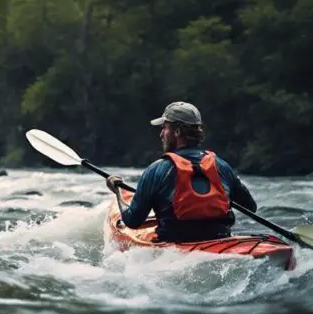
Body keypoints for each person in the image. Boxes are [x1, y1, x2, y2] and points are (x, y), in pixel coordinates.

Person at [105, 101, 257, 242]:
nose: (161, 134)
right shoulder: (222, 166)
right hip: (219, 240)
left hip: (174, 250)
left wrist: (117, 191)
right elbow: (251, 207)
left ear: (177, 132)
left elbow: (132, 221)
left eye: (164, 128)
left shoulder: (156, 170)